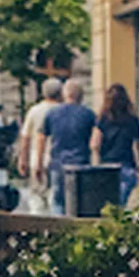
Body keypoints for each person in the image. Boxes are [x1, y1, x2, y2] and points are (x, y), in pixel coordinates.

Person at [42, 77, 97, 214]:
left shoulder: (52, 113)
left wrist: (39, 163)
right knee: (80, 202)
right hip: (81, 163)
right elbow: (95, 142)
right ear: (81, 96)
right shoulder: (89, 114)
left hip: (58, 163)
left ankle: (58, 230)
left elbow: (41, 138)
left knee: (58, 201)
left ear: (64, 94)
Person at [92, 83, 139, 206]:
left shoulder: (102, 119)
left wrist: (96, 163)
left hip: (107, 166)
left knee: (109, 204)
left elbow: (95, 144)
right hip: (127, 165)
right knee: (122, 202)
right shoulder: (132, 120)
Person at [16, 76, 63, 214]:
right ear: (60, 93)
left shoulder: (34, 110)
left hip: (36, 159)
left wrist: (22, 159)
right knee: (55, 198)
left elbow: (26, 137)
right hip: (56, 159)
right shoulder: (62, 111)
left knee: (36, 198)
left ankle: (36, 227)